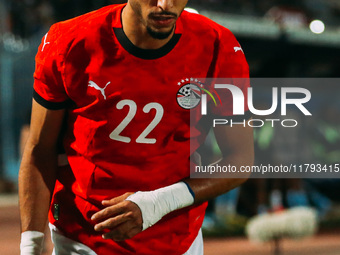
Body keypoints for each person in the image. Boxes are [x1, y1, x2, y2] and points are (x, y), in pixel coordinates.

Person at [18, 1, 254, 254]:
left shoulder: (219, 47)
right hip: (83, 240)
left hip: (177, 240)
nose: (165, 4)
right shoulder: (69, 41)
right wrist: (31, 246)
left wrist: (159, 203)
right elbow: (40, 149)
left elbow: (240, 159)